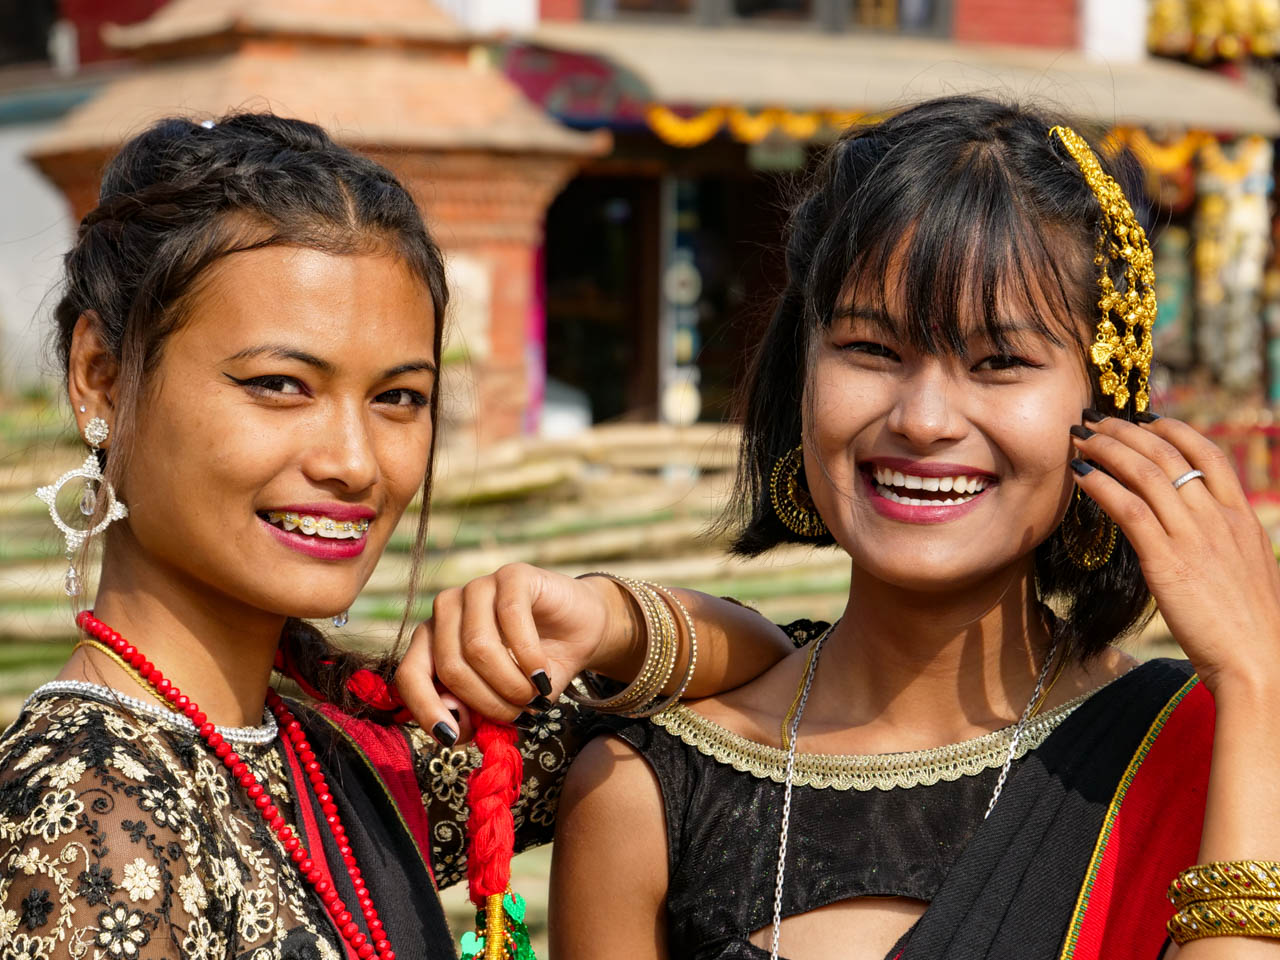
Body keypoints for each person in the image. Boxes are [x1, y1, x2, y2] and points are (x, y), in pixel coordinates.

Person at [0, 113, 793, 960]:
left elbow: (782, 680)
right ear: (102, 377)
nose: (353, 462)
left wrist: (601, 618)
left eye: (398, 398)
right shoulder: (88, 819)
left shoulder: (338, 762)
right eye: (280, 384)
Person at [520, 97, 1280, 960]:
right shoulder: (644, 792)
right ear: (801, 375)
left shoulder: (1207, 754)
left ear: (1103, 407)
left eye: (1000, 362)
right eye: (872, 350)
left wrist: (1257, 685)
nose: (923, 420)